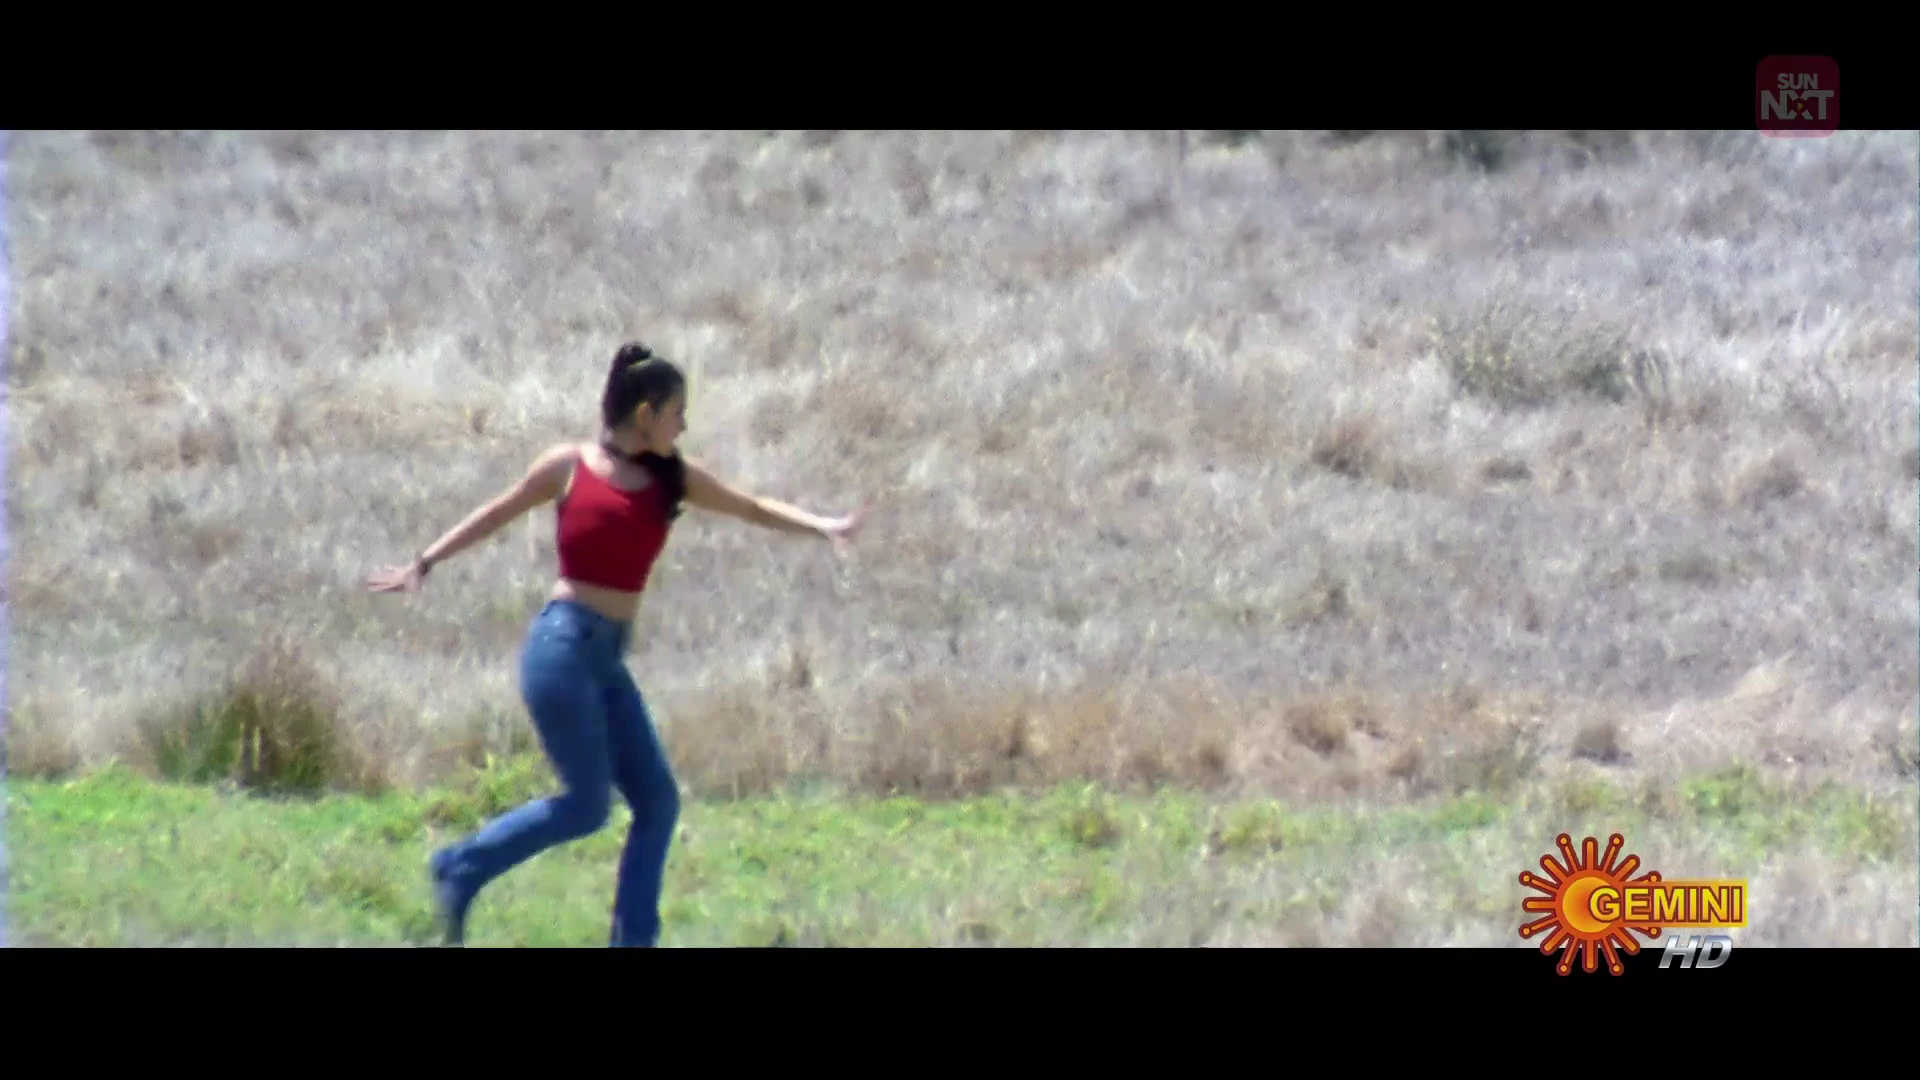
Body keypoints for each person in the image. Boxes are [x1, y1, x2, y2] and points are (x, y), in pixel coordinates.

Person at [366, 341, 868, 947]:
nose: (684, 425)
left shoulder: (672, 479)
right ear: (645, 414)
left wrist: (824, 527)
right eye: (677, 412)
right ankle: (459, 867)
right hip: (562, 650)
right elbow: (496, 513)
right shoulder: (569, 466)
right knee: (587, 806)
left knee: (657, 802)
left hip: (606, 660)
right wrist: (424, 562)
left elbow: (753, 508)